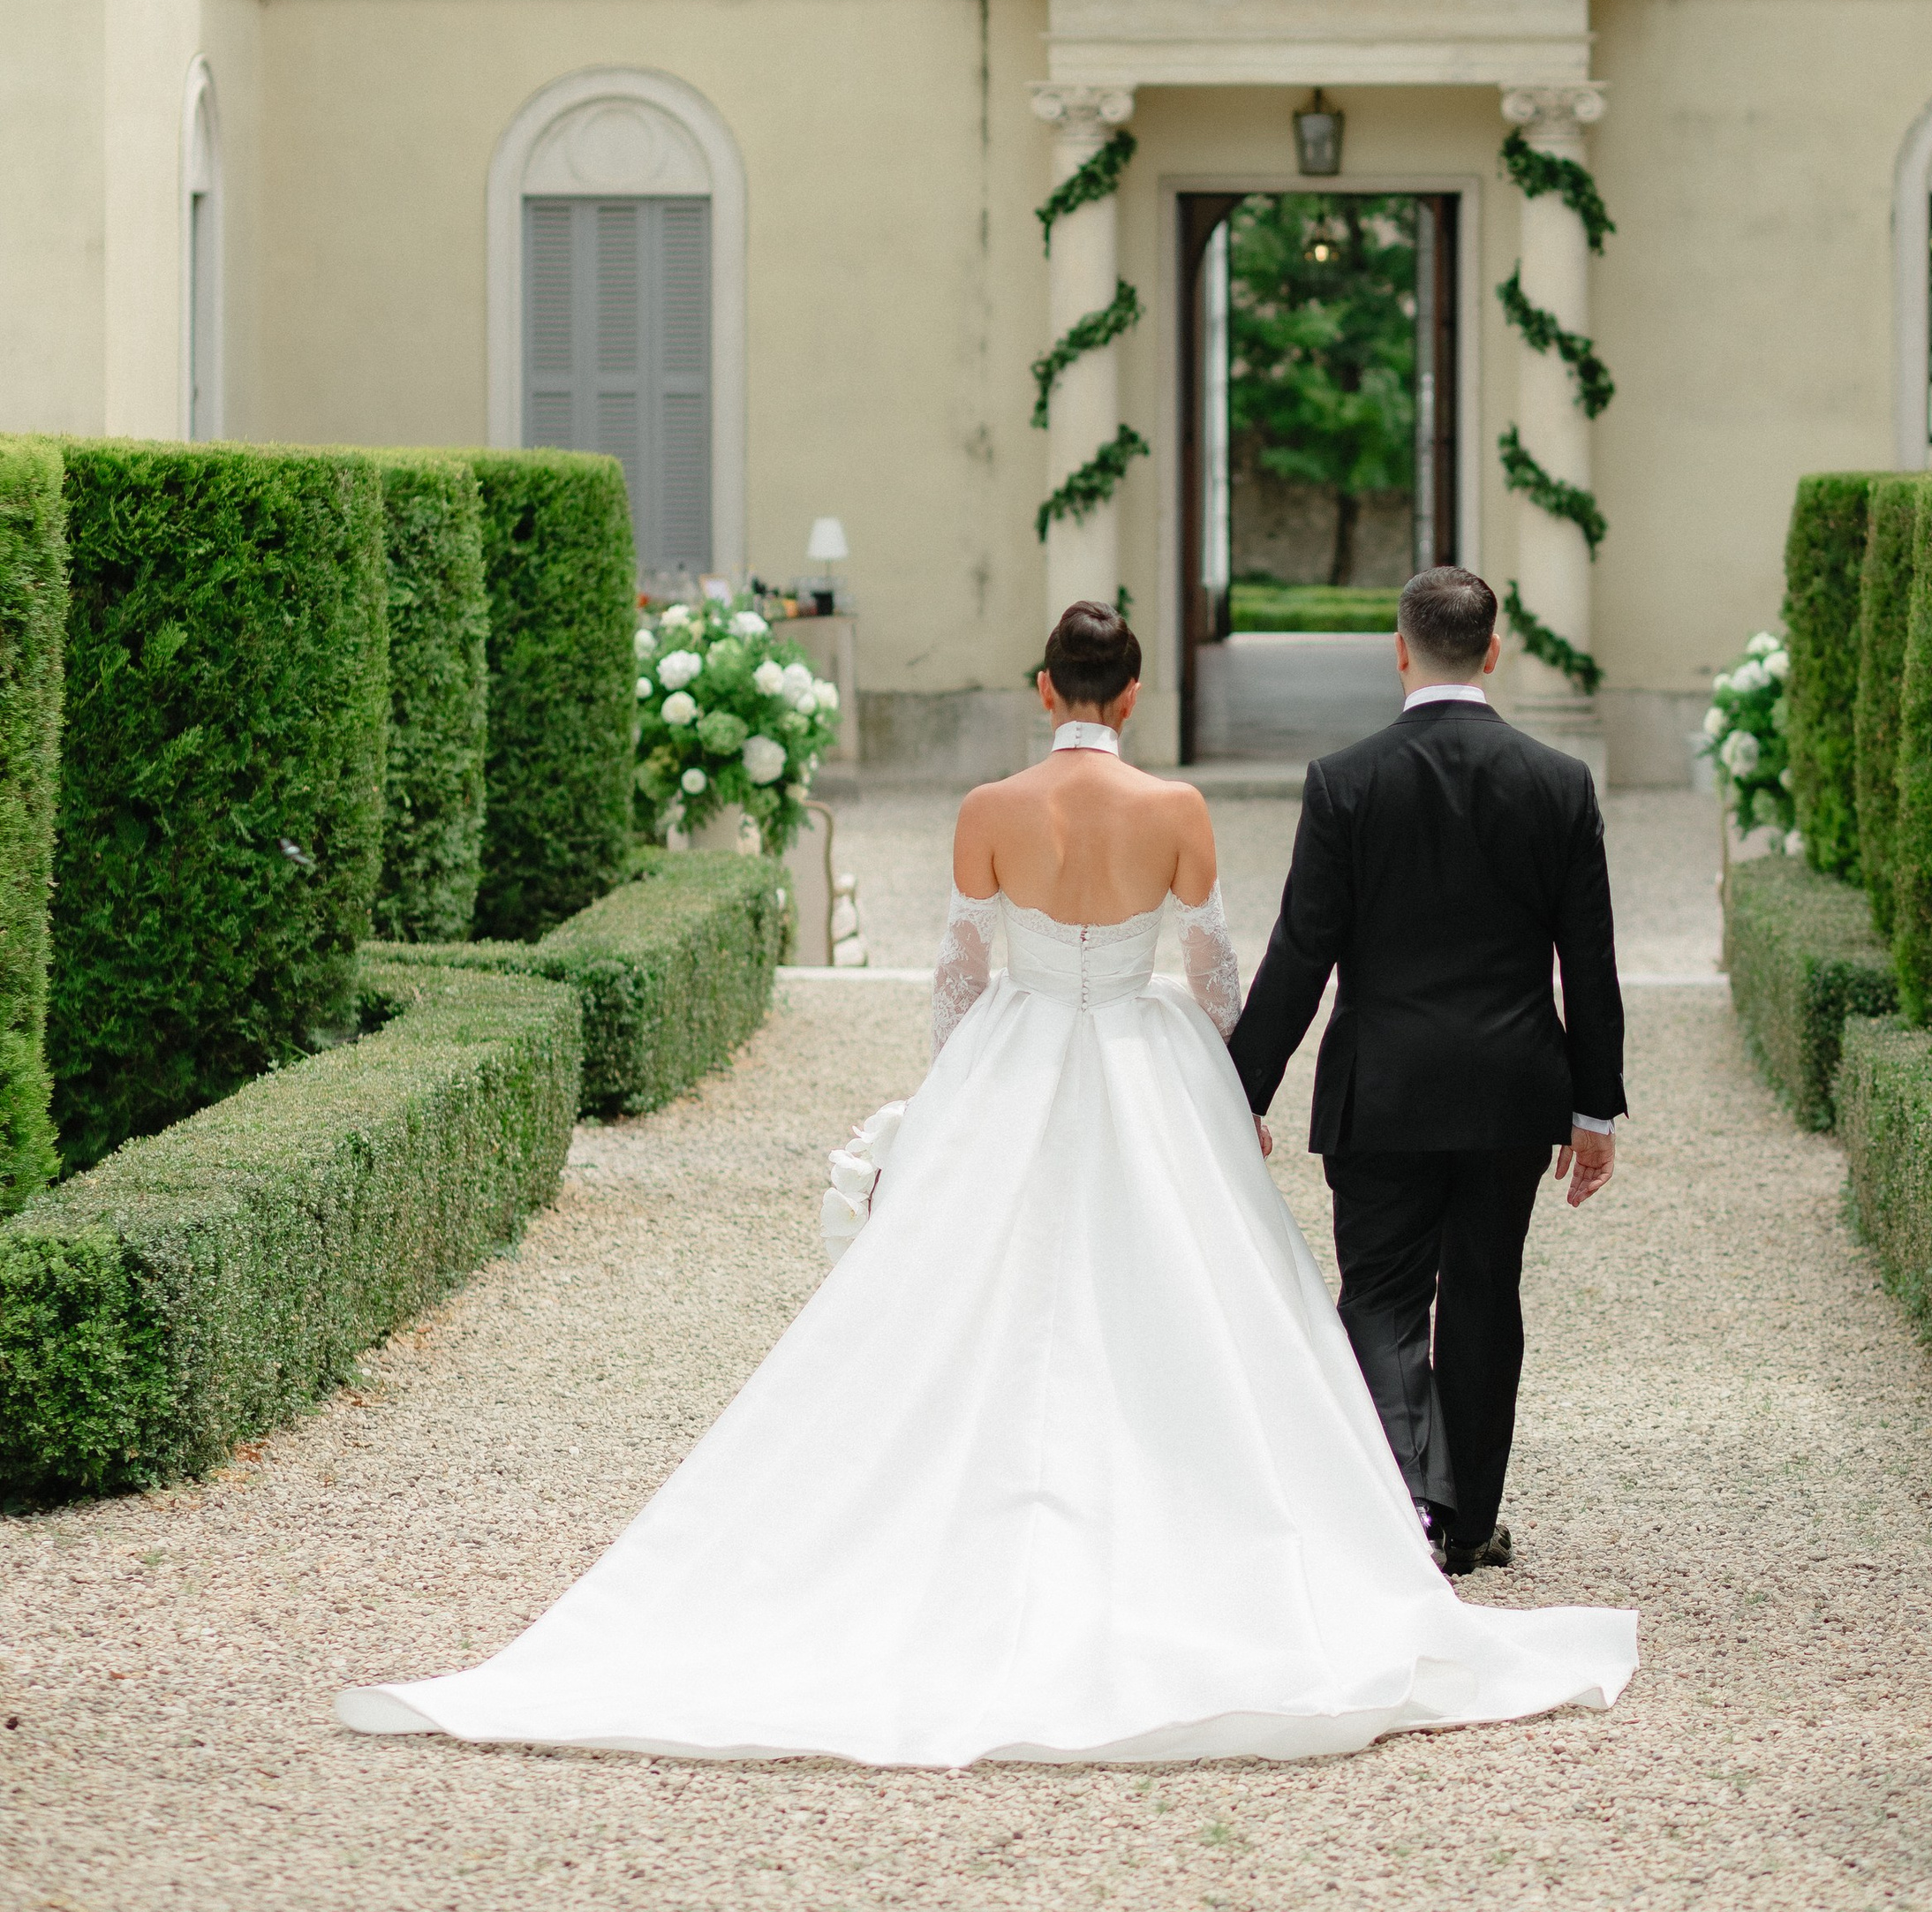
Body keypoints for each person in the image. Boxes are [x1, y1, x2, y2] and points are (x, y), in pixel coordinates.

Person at [336, 600, 1634, 1766]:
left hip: (1022, 1058)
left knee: (1014, 1290)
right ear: (1129, 696)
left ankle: (1121, 1495)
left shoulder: (987, 810)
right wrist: (1232, 1093)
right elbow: (1220, 964)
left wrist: (950, 1102)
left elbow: (961, 973)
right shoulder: (1179, 812)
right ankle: (1398, 1509)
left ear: (1042, 687)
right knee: (1214, 1291)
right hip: (1155, 1056)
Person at [1228, 563, 1626, 1580]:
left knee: (1383, 1295)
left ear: (1399, 651)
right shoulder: (1558, 783)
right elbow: (1589, 961)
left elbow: (1299, 956)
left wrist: (1236, 1094)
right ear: (1494, 653)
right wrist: (1594, 1109)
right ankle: (1468, 1519)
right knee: (1487, 1295)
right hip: (1509, 1090)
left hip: (1383, 1089)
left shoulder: (1345, 781)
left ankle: (1406, 1495)